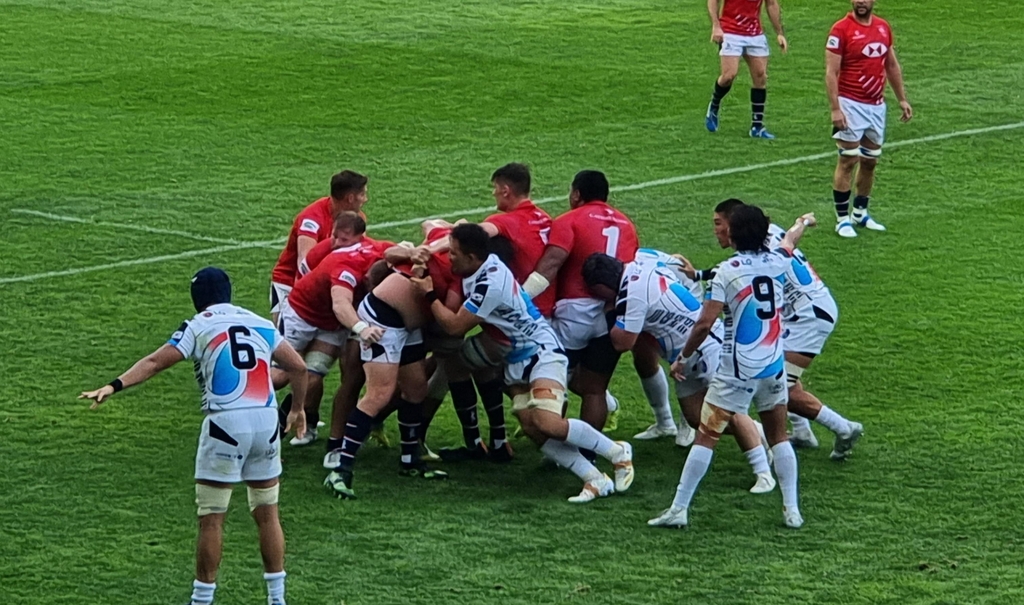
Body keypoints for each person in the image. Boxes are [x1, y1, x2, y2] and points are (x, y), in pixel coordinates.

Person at [80, 268, 308, 605]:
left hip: (225, 423)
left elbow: (157, 362)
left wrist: (114, 385)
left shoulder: (199, 325)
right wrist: (297, 409)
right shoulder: (260, 322)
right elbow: (299, 367)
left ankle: (202, 599)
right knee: (267, 512)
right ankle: (277, 598)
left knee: (212, 517)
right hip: (264, 420)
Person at [416, 224, 635, 503]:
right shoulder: (481, 263)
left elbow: (455, 326)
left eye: (454, 254)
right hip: (516, 359)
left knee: (548, 422)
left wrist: (428, 294)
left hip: (542, 350)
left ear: (472, 258)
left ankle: (617, 452)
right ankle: (594, 479)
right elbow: (448, 230)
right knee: (532, 427)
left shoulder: (489, 284)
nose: (449, 258)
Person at [649, 206, 812, 530]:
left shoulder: (727, 271)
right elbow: (791, 240)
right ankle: (791, 510)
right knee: (778, 436)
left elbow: (704, 323)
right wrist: (803, 221)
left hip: (736, 369)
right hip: (772, 366)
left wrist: (683, 357)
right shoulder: (778, 260)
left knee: (706, 436)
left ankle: (679, 509)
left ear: (734, 235)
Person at [583, 252, 776, 495]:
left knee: (730, 410)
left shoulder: (632, 296)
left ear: (602, 286)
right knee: (697, 418)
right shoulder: (643, 262)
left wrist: (610, 310)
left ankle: (764, 473)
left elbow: (622, 342)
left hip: (707, 346)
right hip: (684, 356)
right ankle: (761, 433)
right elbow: (676, 260)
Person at [439, 163, 553, 461]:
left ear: (505, 190)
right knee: (535, 393)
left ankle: (477, 442)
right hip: (542, 314)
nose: (493, 195)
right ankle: (517, 442)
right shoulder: (544, 218)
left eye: (495, 189)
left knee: (453, 363)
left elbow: (475, 235)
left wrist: (430, 249)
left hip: (513, 325)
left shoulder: (505, 223)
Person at [525, 170, 641, 442]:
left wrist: (520, 297)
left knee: (555, 380)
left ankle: (556, 445)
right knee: (594, 388)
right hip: (612, 312)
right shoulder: (626, 223)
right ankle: (590, 450)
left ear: (576, 194)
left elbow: (550, 265)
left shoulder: (569, 220)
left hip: (574, 313)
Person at [323, 247, 447, 499]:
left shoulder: (476, 267)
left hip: (407, 323)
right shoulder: (457, 248)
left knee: (416, 388)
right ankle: (340, 469)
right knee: (379, 394)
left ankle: (409, 460)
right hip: (384, 319)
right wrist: (428, 249)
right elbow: (421, 234)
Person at [273, 213, 392, 446]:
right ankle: (244, 396)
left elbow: (398, 249)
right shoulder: (337, 259)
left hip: (331, 326)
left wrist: (414, 252)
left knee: (313, 376)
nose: (336, 243)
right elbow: (337, 302)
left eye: (344, 239)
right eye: (334, 236)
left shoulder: (374, 250)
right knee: (279, 377)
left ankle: (279, 426)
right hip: (301, 316)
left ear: (361, 238)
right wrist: (361, 328)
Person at [826, 0, 912, 237]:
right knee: (848, 160)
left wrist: (902, 98)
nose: (860, 1)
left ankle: (860, 214)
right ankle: (842, 219)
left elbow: (891, 64)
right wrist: (835, 109)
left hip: (876, 106)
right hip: (850, 103)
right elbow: (831, 72)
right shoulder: (840, 29)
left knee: (870, 161)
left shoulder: (883, 27)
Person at [269, 170, 368, 323]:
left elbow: (359, 253)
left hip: (325, 281)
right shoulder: (312, 218)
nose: (365, 199)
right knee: (285, 340)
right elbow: (304, 263)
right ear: (350, 198)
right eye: (362, 195)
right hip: (290, 283)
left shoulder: (357, 219)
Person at [705, 0, 788, 139]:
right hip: (730, 31)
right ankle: (714, 105)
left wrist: (779, 33)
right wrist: (716, 25)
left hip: (754, 33)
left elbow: (771, 4)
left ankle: (757, 126)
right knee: (728, 75)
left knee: (760, 76)